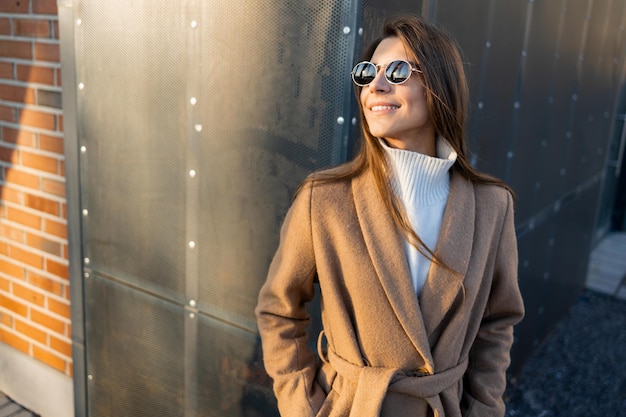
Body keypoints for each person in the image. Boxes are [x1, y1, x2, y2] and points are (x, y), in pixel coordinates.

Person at [255, 14, 525, 417]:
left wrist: (485, 407)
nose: (375, 86)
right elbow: (279, 309)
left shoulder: (491, 206)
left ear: (439, 85)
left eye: (397, 71)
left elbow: (498, 322)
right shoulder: (325, 200)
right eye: (367, 73)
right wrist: (302, 406)